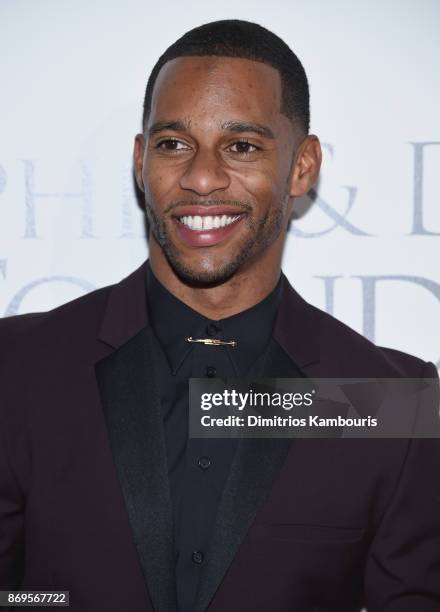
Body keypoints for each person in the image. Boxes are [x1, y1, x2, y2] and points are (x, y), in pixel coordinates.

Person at [0, 19, 439, 612]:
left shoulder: (386, 400)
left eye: (242, 146)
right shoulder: (19, 368)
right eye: (173, 144)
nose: (202, 177)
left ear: (302, 166)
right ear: (140, 160)